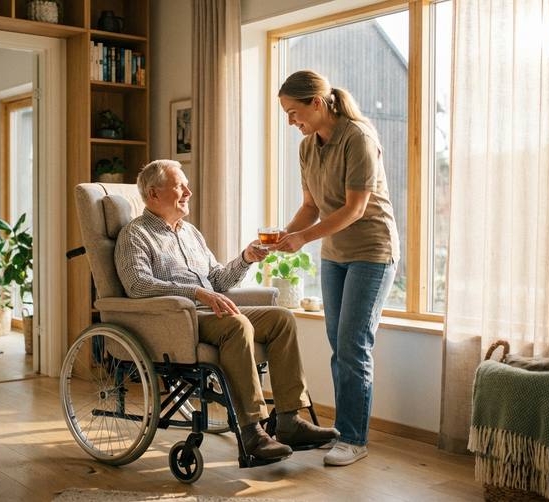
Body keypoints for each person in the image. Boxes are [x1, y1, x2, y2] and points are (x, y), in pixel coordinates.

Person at [115, 159, 339, 461]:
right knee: (237, 325)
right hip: (178, 320)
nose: (189, 192)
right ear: (154, 194)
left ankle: (288, 421)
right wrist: (195, 292)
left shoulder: (190, 233)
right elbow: (138, 285)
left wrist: (245, 258)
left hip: (210, 310)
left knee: (281, 319)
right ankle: (252, 433)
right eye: (180, 186)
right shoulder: (135, 234)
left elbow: (218, 281)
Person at [273, 70, 400, 466]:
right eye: (286, 115)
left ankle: (352, 438)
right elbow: (311, 207)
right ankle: (345, 432)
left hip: (372, 251)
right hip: (335, 253)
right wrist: (281, 234)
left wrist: (303, 239)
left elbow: (355, 208)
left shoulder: (358, 137)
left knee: (353, 345)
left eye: (295, 113)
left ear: (317, 103)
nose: (292, 122)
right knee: (337, 341)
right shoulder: (308, 147)